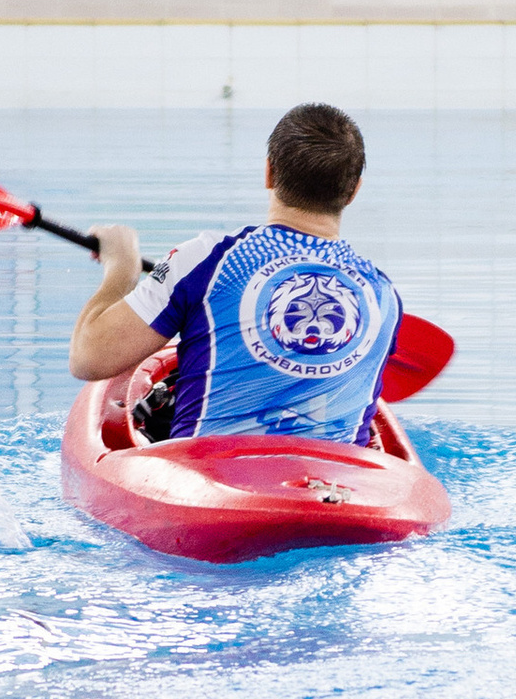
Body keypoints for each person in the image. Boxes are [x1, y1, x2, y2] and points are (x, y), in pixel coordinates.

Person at [67, 102, 402, 445]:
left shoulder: (206, 261)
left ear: (269, 173)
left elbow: (87, 359)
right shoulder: (383, 295)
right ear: (354, 191)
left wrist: (122, 270)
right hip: (336, 473)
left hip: (207, 470)